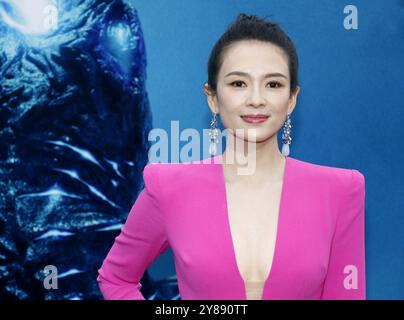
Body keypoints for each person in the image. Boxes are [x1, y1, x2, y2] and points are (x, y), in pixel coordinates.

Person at [97, 13, 366, 300]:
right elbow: (116, 278)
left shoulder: (340, 191)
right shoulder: (168, 186)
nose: (256, 99)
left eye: (273, 84)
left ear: (291, 99)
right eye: (238, 83)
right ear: (212, 97)